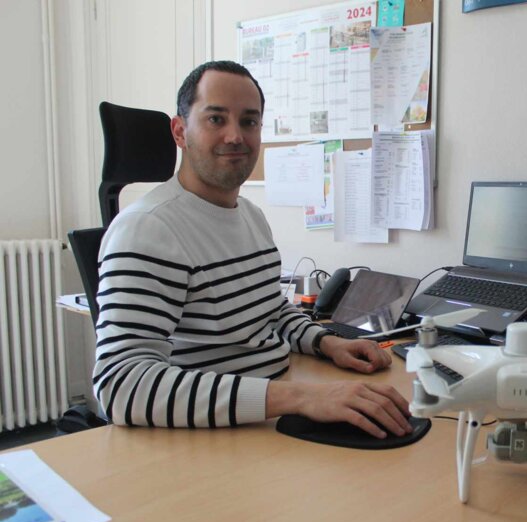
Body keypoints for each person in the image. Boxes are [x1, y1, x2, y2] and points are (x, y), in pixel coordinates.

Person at [92, 60, 412, 439]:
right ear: (180, 131)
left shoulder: (250, 216)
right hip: (205, 439)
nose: (235, 136)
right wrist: (301, 397)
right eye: (216, 119)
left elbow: (270, 311)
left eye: (249, 121)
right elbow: (121, 385)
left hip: (265, 417)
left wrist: (327, 342)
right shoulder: (148, 229)